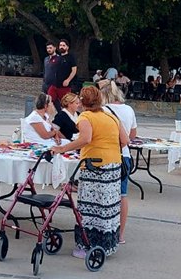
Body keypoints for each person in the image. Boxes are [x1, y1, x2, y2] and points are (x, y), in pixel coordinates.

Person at [50, 86, 128, 258]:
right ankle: (107, 244)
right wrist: (107, 146)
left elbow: (85, 139)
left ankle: (87, 245)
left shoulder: (86, 117)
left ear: (82, 101)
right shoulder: (111, 116)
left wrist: (62, 149)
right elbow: (125, 140)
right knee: (107, 207)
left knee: (90, 207)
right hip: (113, 166)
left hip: (94, 166)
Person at [98, 79, 138, 244]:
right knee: (122, 195)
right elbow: (132, 135)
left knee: (102, 194)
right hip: (124, 155)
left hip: (106, 156)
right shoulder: (129, 109)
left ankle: (101, 229)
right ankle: (120, 234)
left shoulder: (102, 110)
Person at [47, 39, 77, 107]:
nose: (61, 47)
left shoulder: (71, 57)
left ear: (67, 47)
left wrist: (68, 80)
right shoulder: (58, 58)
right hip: (54, 85)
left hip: (64, 87)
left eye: (63, 45)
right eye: (60, 45)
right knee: (48, 101)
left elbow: (74, 70)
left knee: (65, 104)